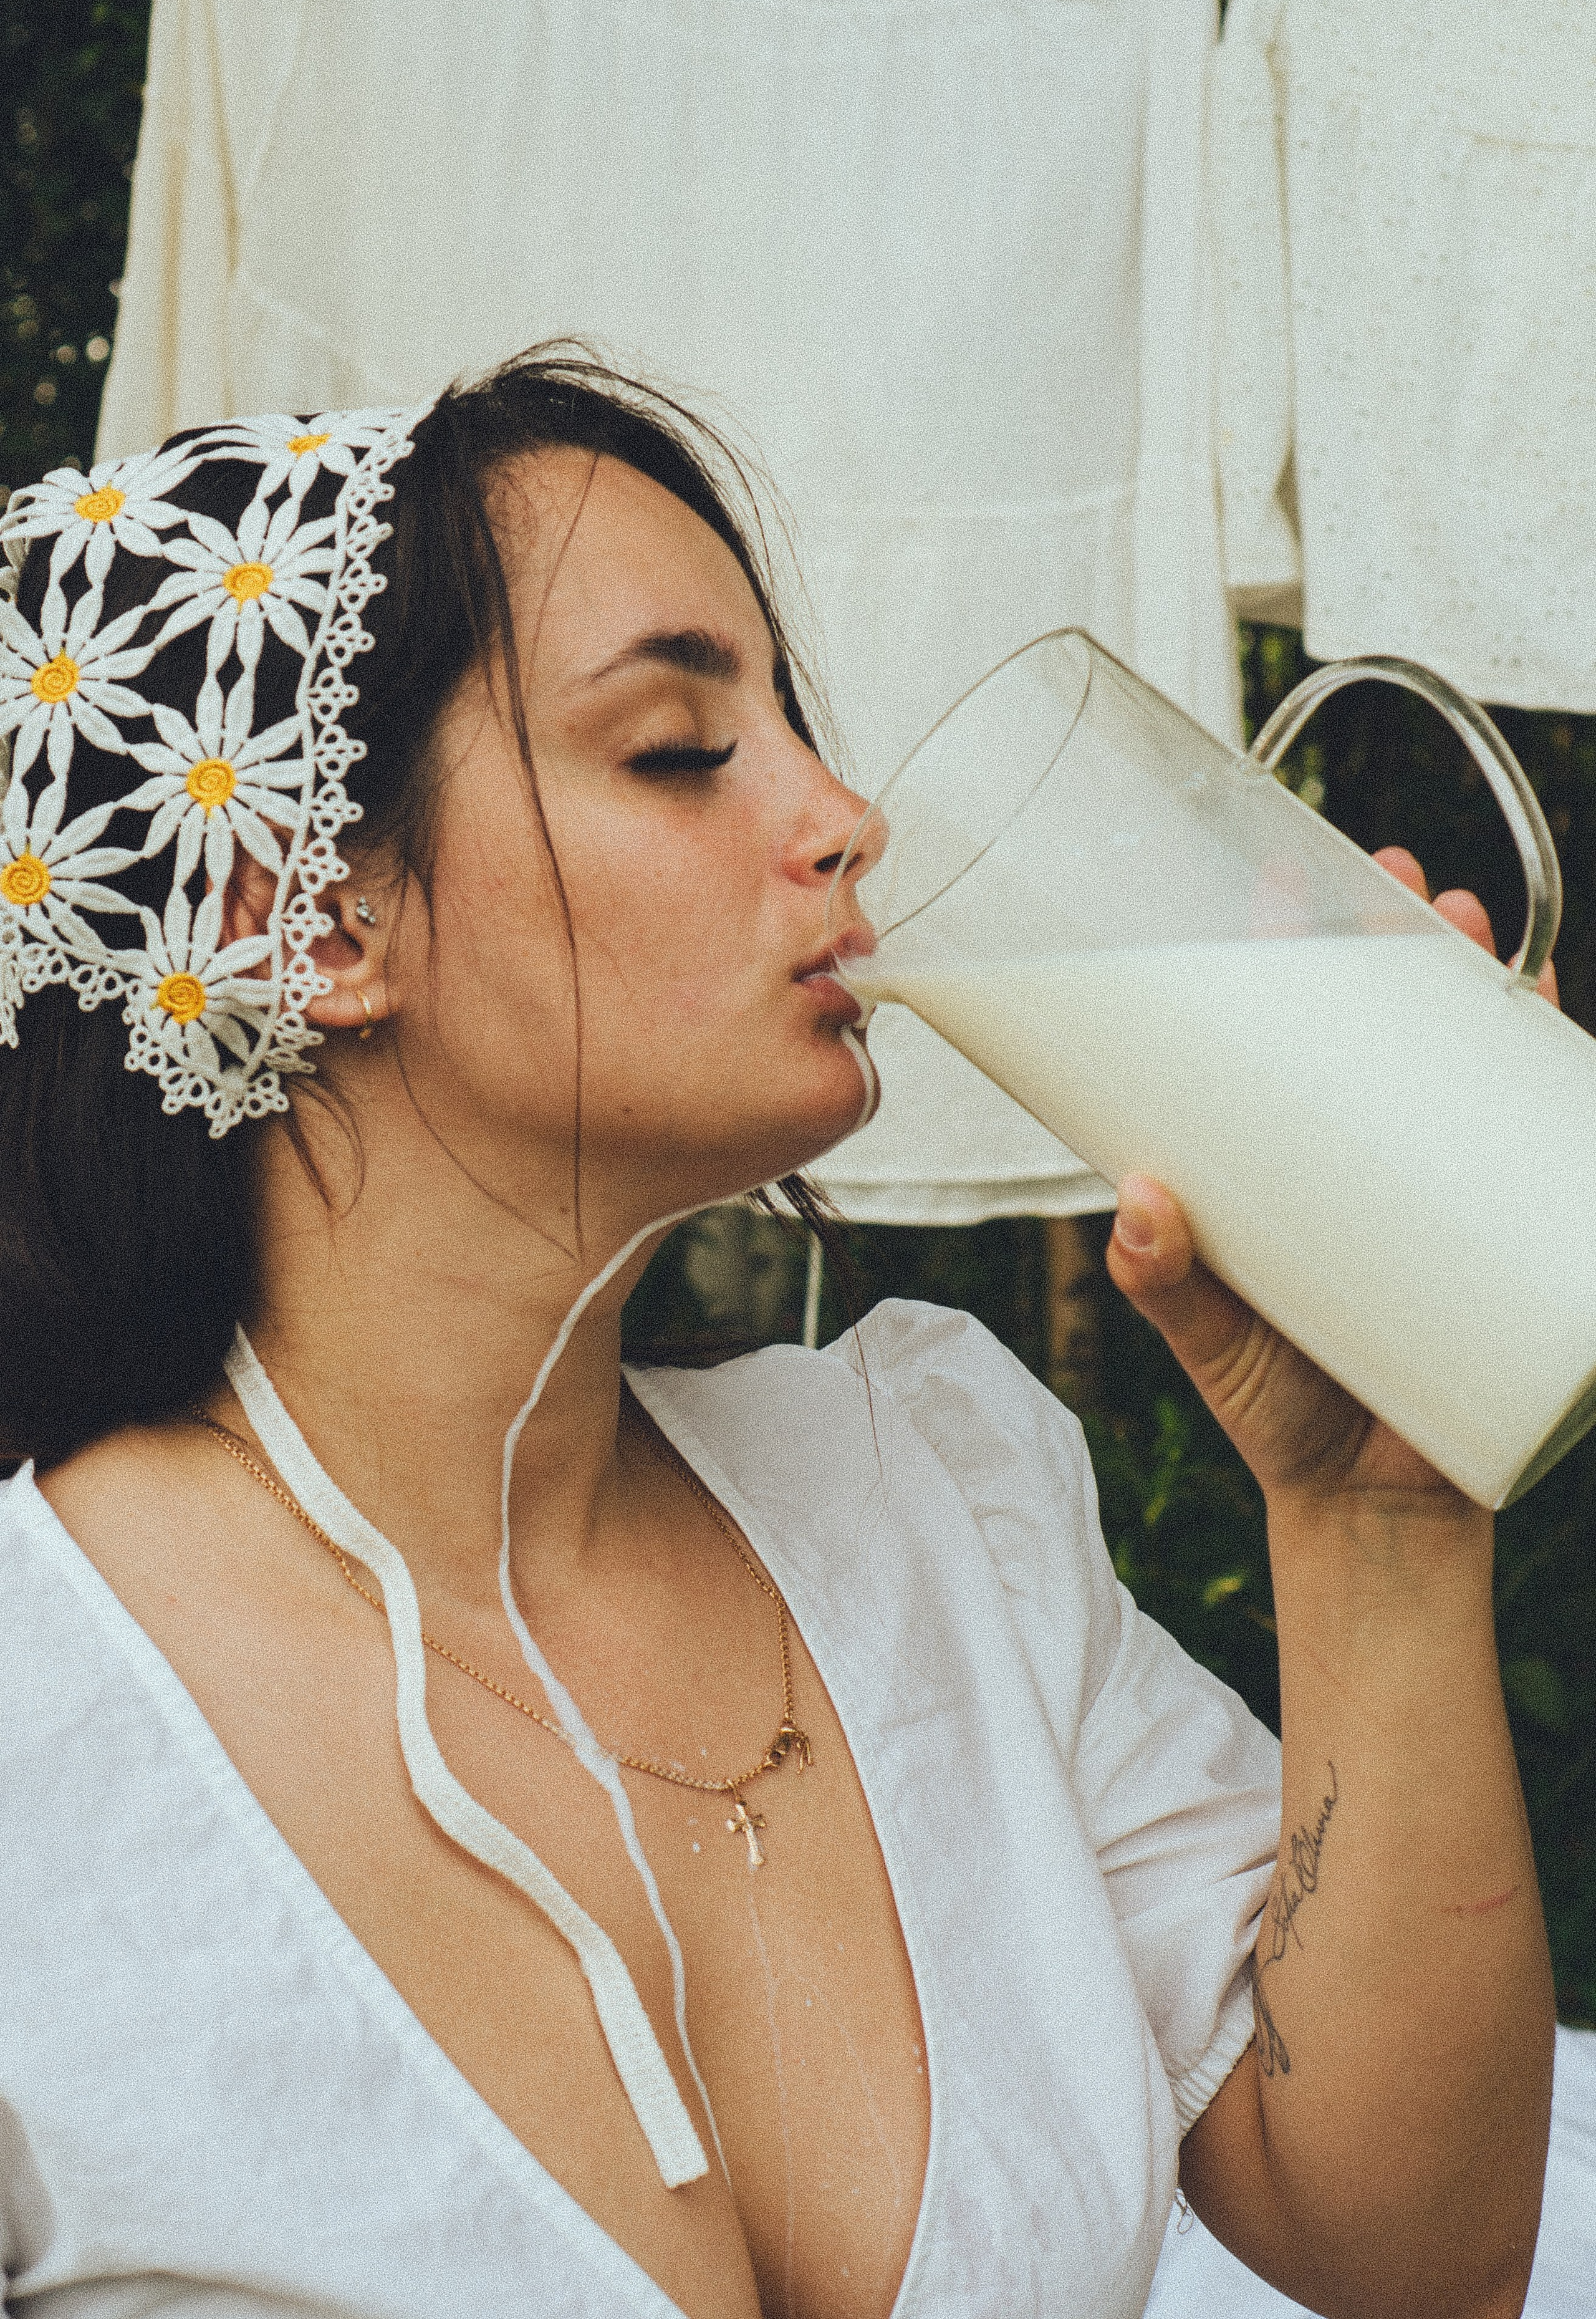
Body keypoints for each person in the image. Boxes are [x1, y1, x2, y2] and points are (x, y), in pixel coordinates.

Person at [0, 348, 1554, 2319]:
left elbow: (1406, 2259)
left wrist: (1379, 1529)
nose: (844, 818)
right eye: (675, 746)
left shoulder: (930, 1494)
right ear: (310, 920)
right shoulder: (36, 1733)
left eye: (791, 727)